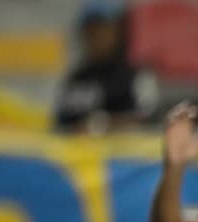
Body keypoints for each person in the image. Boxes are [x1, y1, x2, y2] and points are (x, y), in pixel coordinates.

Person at [54, 1, 157, 133]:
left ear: (120, 32)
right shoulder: (75, 79)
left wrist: (101, 125)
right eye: (90, 31)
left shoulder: (137, 77)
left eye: (104, 29)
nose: (96, 37)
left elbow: (149, 123)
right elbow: (59, 126)